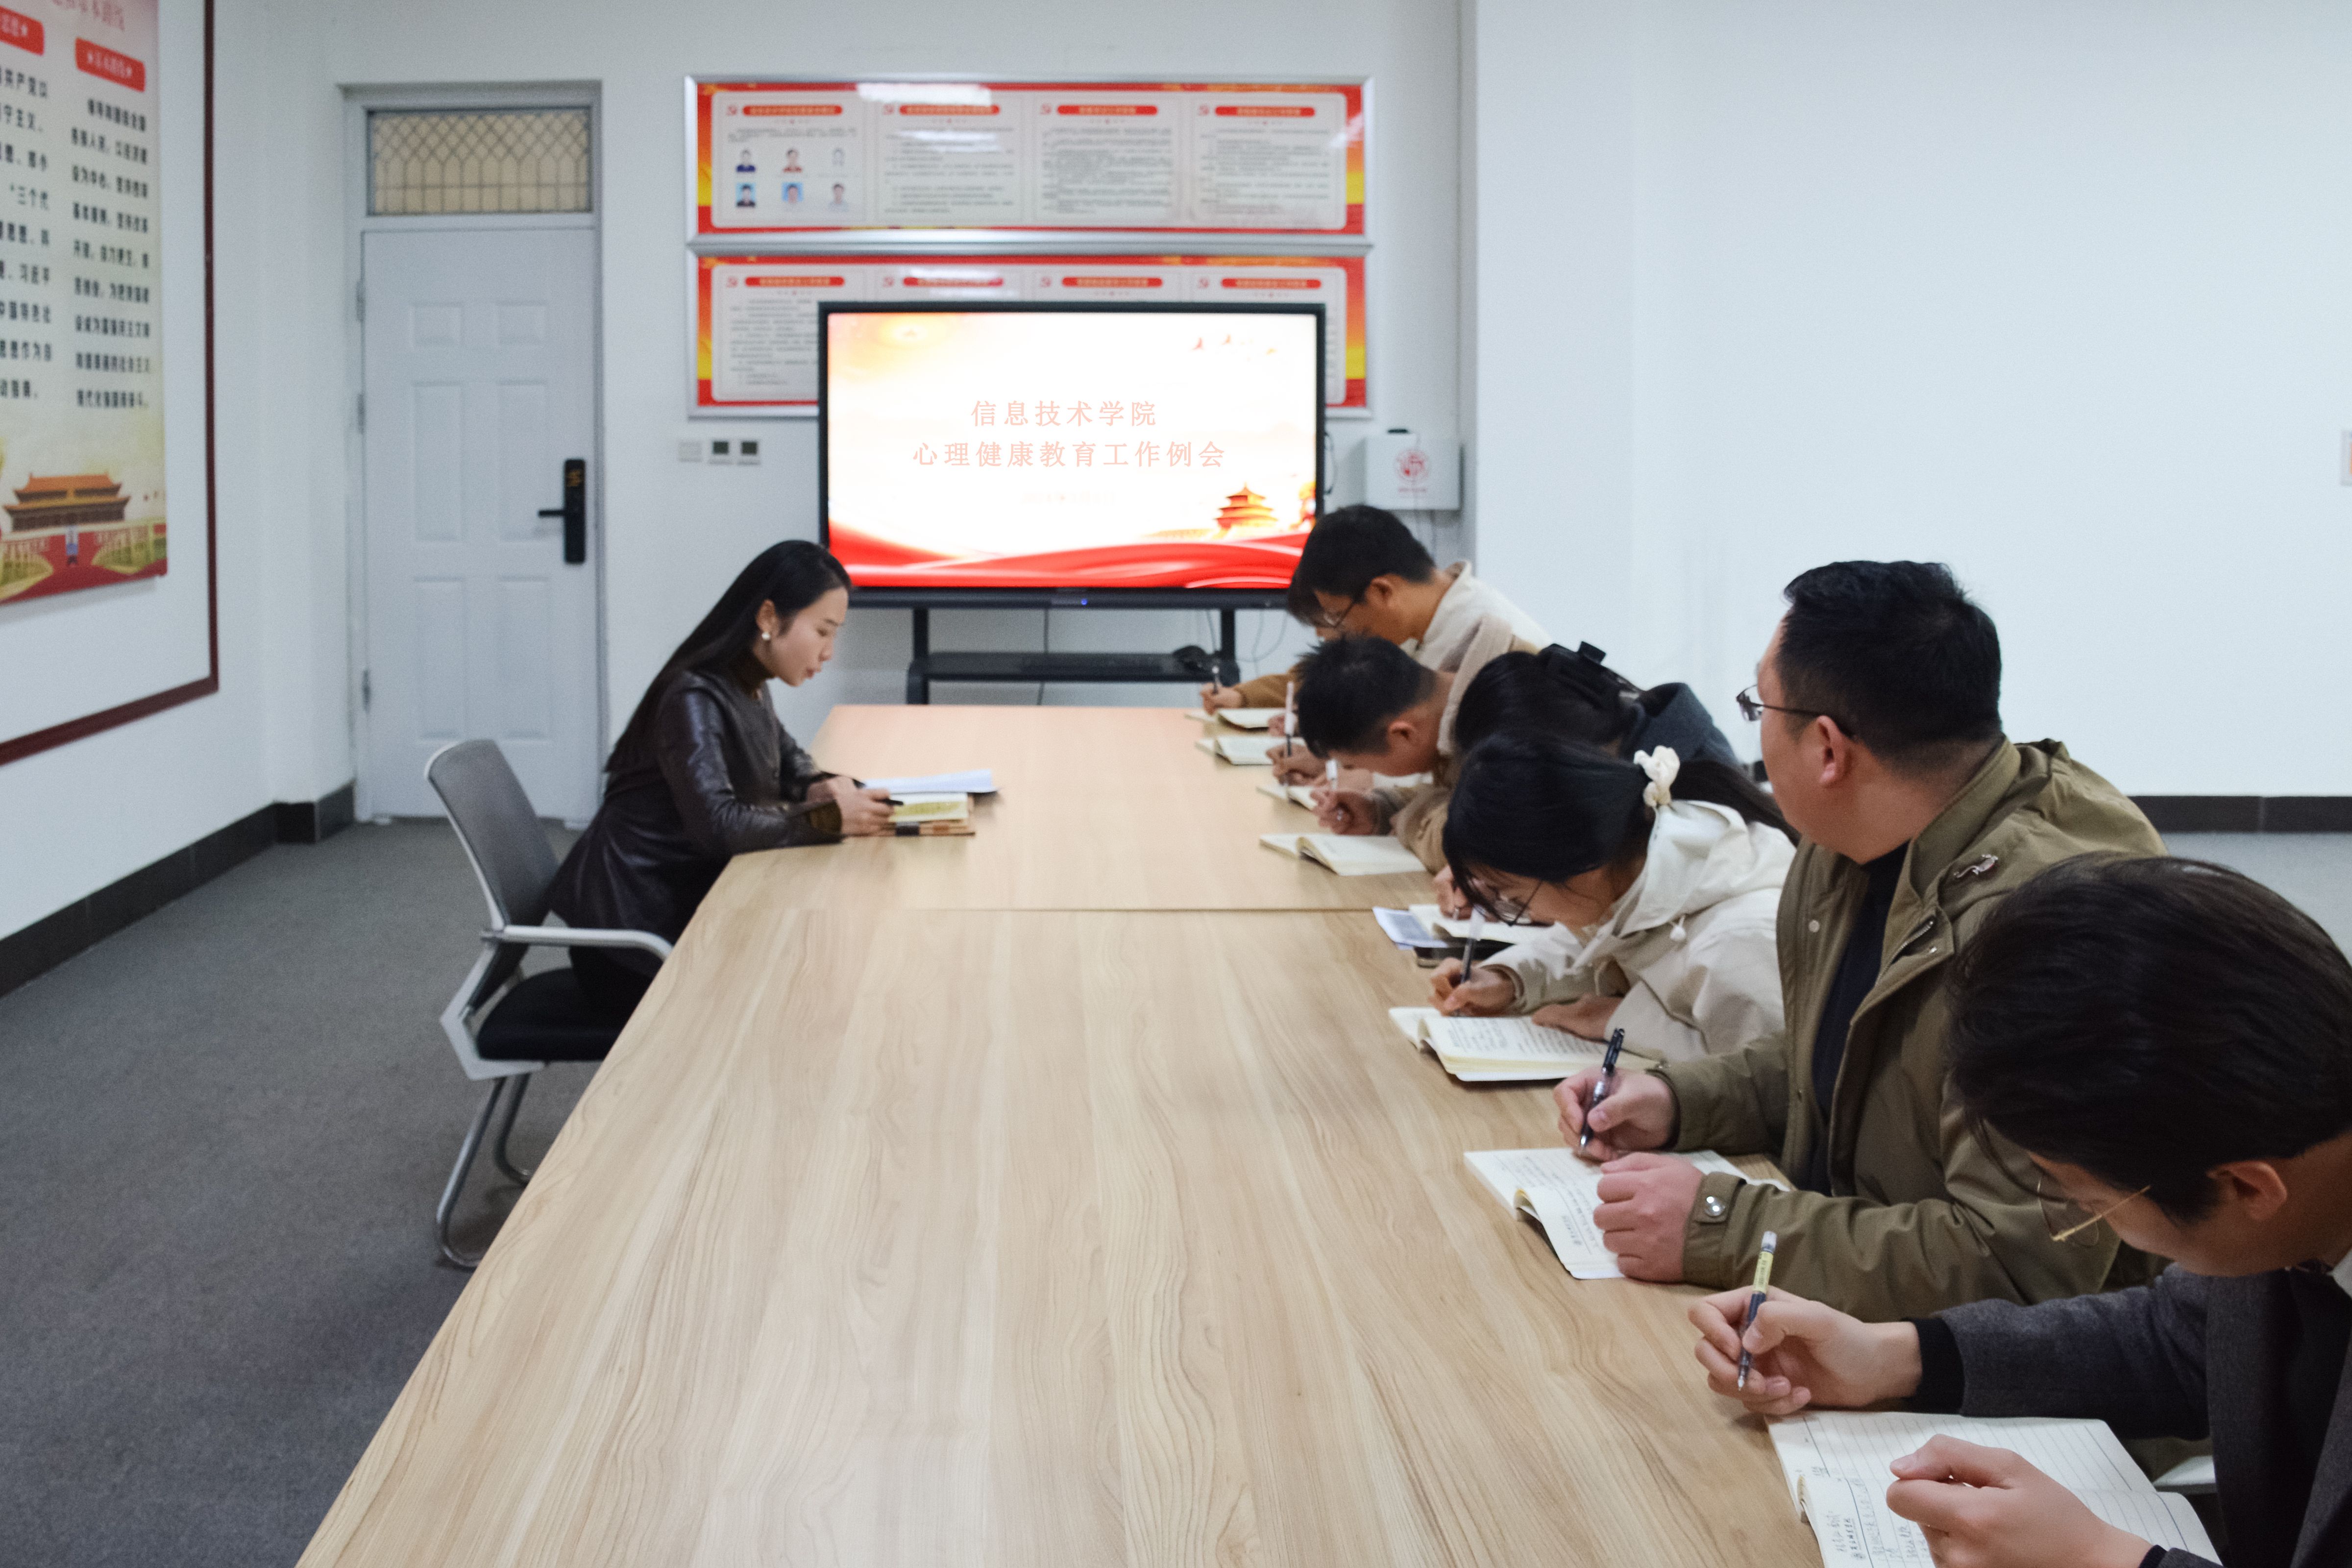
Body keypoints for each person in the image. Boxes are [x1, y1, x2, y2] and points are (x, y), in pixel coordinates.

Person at [1693, 856, 2352, 1568]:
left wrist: (2104, 1558)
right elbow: (2179, 1337)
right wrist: (1895, 1357)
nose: (2076, 1214)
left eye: (2089, 1203)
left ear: (2248, 1189)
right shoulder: (2292, 1163)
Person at [1557, 560, 2166, 1318]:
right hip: (1852, 1307)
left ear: (1828, 749)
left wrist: (1724, 1225)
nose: (1754, 732)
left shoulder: (2054, 929)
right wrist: (1679, 1100)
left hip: (1995, 1369)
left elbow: (2018, 1268)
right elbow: (1844, 1062)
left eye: (1758, 706)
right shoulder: (1849, 846)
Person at [550, 542, 893, 1021]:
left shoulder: (747, 680)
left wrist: (818, 786)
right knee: (811, 985)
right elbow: (718, 825)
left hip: (686, 906)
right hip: (635, 943)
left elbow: (788, 760)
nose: (828, 652)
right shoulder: (693, 696)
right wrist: (830, 817)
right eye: (822, 631)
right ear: (769, 617)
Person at [1434, 733, 1791, 1060]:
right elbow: (1597, 940)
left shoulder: (1738, 941)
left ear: (1581, 867)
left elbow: (1767, 1073)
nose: (1512, 908)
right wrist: (1510, 978)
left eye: (1512, 897)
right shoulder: (1640, 862)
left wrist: (1618, 1020)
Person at [1199, 505, 1546, 739]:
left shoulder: (1488, 643)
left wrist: (1365, 781)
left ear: (1382, 592)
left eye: (1337, 616)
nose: (1339, 632)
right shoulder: (1422, 621)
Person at [1286, 615, 1538, 866]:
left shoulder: (1516, 714)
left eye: (1355, 765)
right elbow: (1459, 796)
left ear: (1404, 734)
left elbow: (1484, 843)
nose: (1359, 773)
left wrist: (1408, 820)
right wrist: (1381, 810)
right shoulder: (1453, 701)